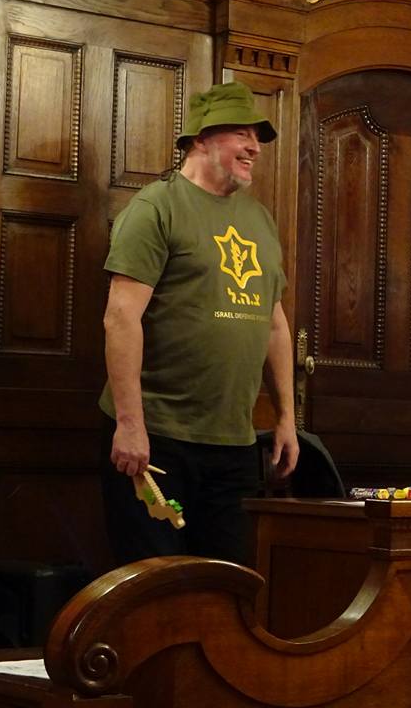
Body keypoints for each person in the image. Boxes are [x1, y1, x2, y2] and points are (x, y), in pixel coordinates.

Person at [98, 81, 299, 566]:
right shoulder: (156, 208)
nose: (254, 147)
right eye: (242, 133)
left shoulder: (259, 219)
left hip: (233, 442)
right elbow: (120, 318)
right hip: (158, 439)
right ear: (201, 138)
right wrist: (130, 425)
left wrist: (287, 418)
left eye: (257, 137)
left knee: (227, 586)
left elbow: (275, 325)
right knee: (157, 584)